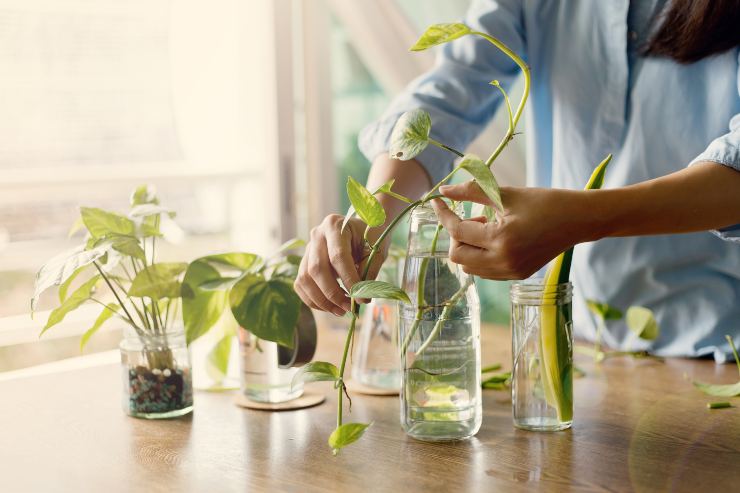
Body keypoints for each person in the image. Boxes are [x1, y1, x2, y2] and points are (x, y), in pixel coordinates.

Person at [295, 0, 740, 361]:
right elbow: (455, 85)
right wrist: (375, 214)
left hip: (721, 349)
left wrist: (580, 220)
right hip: (576, 345)